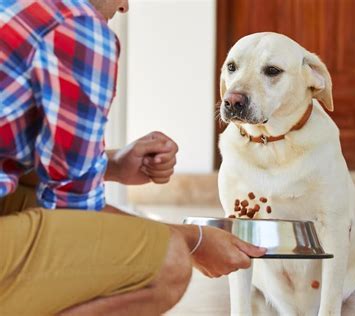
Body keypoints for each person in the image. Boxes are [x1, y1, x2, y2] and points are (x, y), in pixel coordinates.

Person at [0, 0, 266, 315]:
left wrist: (109, 165)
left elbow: (20, 164)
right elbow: (73, 218)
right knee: (168, 262)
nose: (125, 7)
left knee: (28, 193)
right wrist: (193, 241)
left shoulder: (19, 9)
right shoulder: (75, 26)